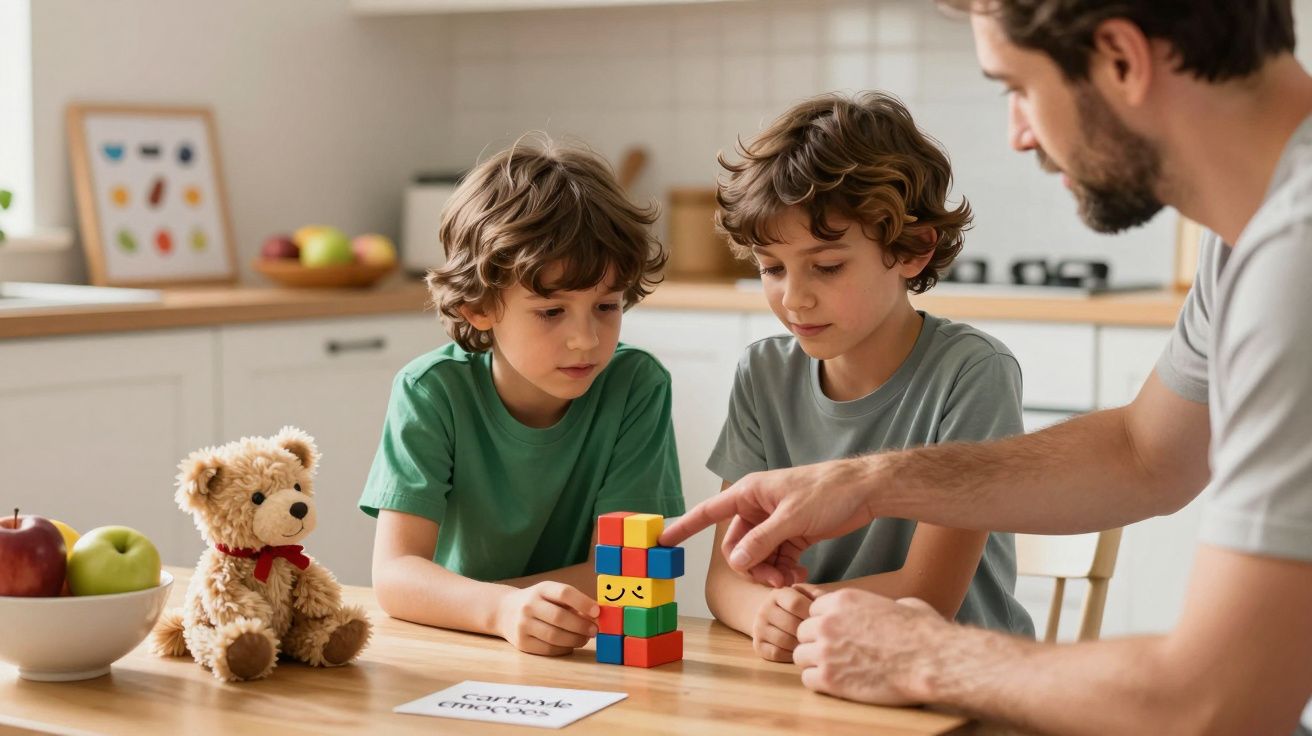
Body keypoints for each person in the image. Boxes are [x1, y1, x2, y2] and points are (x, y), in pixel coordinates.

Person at [662, 2, 1312, 733]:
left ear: (1123, 60)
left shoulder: (1298, 253)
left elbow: (1218, 701)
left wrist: (926, 657)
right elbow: (1144, 453)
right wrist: (872, 481)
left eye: (1018, 87)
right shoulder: (1252, 237)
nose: (1018, 134)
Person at [703, 92, 1033, 665]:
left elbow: (929, 594)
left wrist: (793, 612)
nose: (794, 297)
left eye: (827, 266)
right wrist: (765, 615)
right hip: (820, 666)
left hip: (960, 680)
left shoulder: (972, 373)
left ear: (913, 249)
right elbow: (724, 580)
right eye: (772, 268)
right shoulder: (763, 372)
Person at [360, 135, 684, 657]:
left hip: (580, 648)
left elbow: (629, 572)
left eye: (606, 306)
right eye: (551, 312)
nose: (587, 339)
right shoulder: (430, 392)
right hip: (458, 644)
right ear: (479, 308)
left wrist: (487, 604)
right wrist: (501, 611)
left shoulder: (637, 387)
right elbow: (396, 575)